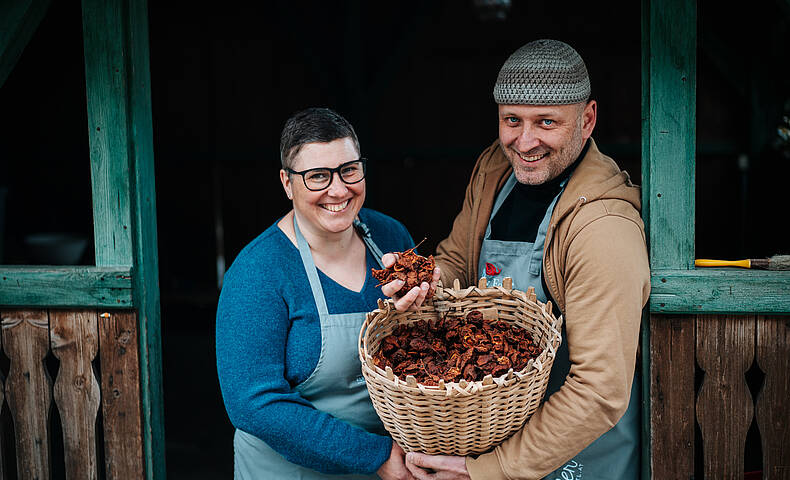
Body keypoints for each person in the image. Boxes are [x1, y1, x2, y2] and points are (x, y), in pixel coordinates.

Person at [383, 39, 650, 479]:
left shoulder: (603, 229)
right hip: (491, 439)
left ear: (587, 120)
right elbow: (457, 260)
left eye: (546, 122)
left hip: (575, 457)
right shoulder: (495, 170)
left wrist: (491, 470)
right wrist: (425, 278)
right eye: (512, 120)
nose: (525, 142)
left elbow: (599, 391)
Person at [216, 107, 418, 479]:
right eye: (317, 177)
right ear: (286, 182)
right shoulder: (258, 272)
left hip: (396, 464)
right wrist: (375, 456)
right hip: (291, 470)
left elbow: (425, 346)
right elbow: (254, 404)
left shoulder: (391, 237)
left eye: (349, 170)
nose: (338, 189)